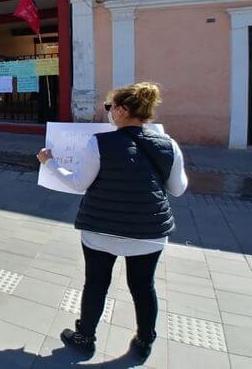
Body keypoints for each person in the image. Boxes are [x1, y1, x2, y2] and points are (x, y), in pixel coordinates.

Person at [36, 82, 188, 359]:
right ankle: (144, 340)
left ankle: (85, 336)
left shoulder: (100, 142)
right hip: (148, 232)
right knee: (143, 287)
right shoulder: (168, 144)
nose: (107, 112)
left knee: (96, 283)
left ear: (121, 110)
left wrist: (48, 162)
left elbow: (78, 182)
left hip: (101, 229)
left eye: (109, 107)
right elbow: (178, 189)